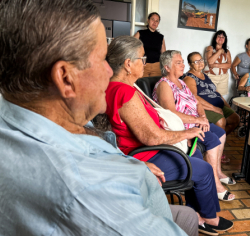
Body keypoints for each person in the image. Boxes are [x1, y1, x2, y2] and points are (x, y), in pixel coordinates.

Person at [0, 1, 198, 235]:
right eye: (102, 59)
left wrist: (133, 163)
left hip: (139, 177)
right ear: (65, 78)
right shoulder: (88, 192)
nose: (108, 71)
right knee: (189, 219)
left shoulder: (28, 110)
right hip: (137, 204)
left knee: (188, 216)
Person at [105, 36, 234, 236]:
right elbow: (151, 137)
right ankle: (209, 218)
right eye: (142, 58)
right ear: (128, 64)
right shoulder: (124, 92)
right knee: (204, 169)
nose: (146, 63)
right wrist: (186, 132)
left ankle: (196, 214)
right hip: (145, 155)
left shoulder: (125, 87)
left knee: (197, 158)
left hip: (147, 151)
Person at [152, 50, 237, 203]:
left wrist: (202, 117)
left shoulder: (182, 83)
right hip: (183, 128)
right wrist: (196, 121)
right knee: (212, 139)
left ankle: (216, 172)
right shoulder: (164, 85)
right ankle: (216, 185)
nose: (183, 65)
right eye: (178, 62)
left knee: (220, 133)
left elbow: (197, 102)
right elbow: (170, 113)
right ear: (167, 67)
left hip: (195, 122)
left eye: (182, 61)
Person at [183, 52, 240, 137]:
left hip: (218, 105)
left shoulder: (205, 75)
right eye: (196, 62)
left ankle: (219, 142)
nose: (200, 63)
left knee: (235, 118)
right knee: (221, 120)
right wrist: (215, 109)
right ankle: (215, 146)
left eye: (201, 60)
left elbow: (216, 92)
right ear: (190, 65)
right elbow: (194, 97)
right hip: (204, 108)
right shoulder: (189, 78)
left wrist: (227, 105)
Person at [134, 12, 166, 78]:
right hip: (143, 65)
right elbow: (131, 47)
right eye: (152, 19)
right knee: (141, 86)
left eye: (157, 21)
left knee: (154, 86)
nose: (154, 22)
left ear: (158, 23)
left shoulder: (160, 37)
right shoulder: (140, 33)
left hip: (157, 66)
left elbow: (164, 54)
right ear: (148, 20)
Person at [204, 30, 232, 96]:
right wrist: (219, 51)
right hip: (211, 76)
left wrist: (215, 65)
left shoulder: (227, 51)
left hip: (223, 78)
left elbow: (229, 65)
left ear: (225, 39)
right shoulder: (210, 48)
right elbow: (210, 62)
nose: (221, 38)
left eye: (223, 37)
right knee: (209, 96)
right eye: (219, 36)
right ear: (215, 38)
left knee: (220, 98)